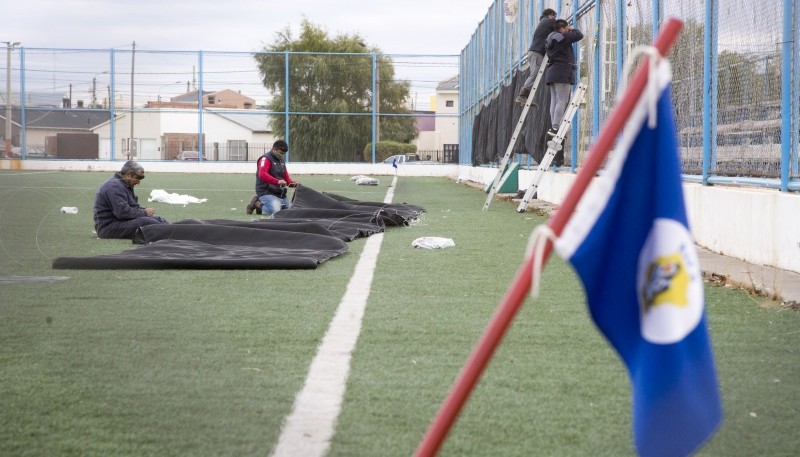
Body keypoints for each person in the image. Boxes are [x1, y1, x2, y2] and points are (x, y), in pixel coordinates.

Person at [93, 160, 169, 239]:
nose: (138, 182)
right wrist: (144, 212)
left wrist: (144, 210)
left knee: (158, 219)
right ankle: (172, 233)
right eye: (137, 178)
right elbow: (122, 213)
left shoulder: (124, 185)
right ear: (128, 175)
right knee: (145, 222)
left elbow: (132, 207)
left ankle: (175, 228)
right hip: (107, 228)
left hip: (118, 223)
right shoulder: (114, 186)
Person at [544, 19, 584, 139]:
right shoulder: (561, 38)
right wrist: (572, 29)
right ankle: (556, 127)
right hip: (562, 72)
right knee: (562, 100)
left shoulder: (550, 38)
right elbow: (579, 35)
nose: (568, 30)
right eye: (567, 28)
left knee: (555, 101)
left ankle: (554, 126)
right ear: (562, 28)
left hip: (552, 72)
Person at [515, 8, 557, 106]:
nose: (555, 18)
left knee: (535, 73)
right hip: (537, 52)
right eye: (554, 16)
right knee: (535, 73)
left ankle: (524, 98)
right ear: (550, 15)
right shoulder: (548, 21)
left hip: (535, 52)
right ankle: (522, 95)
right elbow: (559, 26)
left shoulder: (543, 22)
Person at [248, 139, 298, 216]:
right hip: (266, 192)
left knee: (288, 212)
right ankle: (257, 203)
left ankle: (269, 204)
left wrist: (294, 184)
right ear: (274, 149)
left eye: (283, 154)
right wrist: (277, 182)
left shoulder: (281, 161)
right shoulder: (265, 159)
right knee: (275, 211)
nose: (282, 155)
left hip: (279, 194)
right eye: (281, 153)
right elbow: (262, 174)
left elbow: (287, 178)